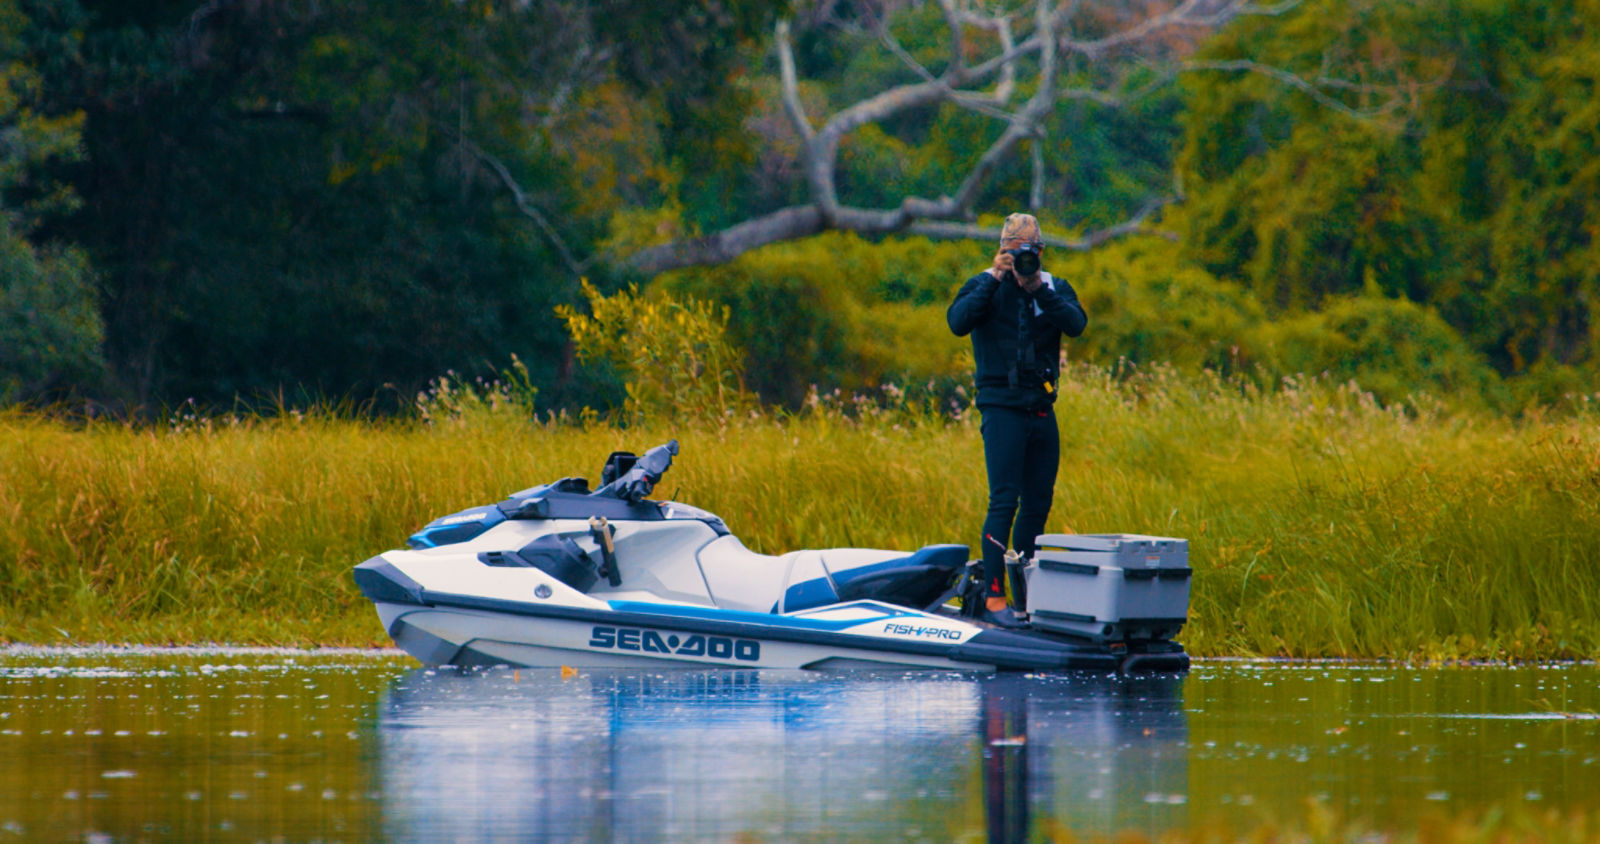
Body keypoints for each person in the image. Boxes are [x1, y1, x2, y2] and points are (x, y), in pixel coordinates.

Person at [946, 213, 1087, 628]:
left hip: (1042, 410)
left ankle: (1027, 597)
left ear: (1040, 252)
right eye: (1013, 251)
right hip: (1001, 409)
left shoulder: (1054, 288)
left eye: (1028, 252)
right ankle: (993, 599)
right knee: (1003, 500)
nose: (1021, 259)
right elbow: (957, 322)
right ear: (1002, 249)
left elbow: (1076, 324)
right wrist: (995, 275)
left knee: (1038, 505)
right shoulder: (982, 284)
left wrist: (1039, 287)